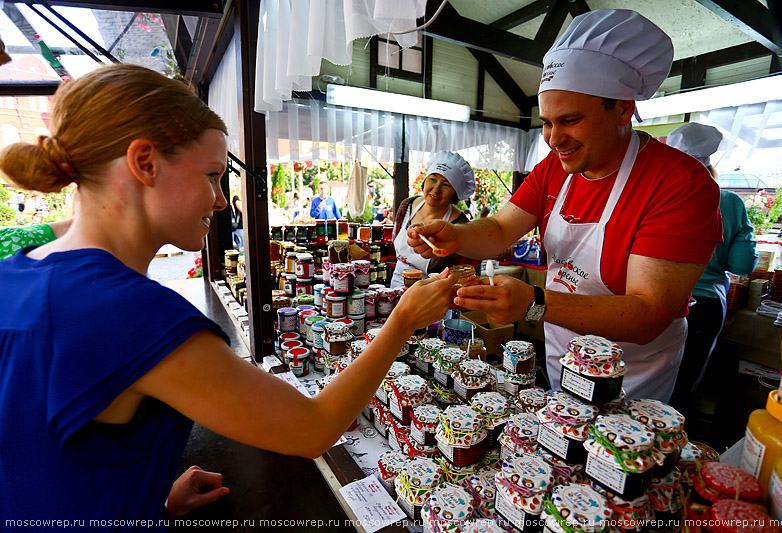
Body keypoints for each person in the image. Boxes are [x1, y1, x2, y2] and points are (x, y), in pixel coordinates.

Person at [0, 64, 457, 528]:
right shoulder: (132, 314)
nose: (221, 200)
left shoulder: (15, 273)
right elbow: (313, 429)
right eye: (212, 175)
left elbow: (41, 453)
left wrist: (141, 492)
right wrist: (401, 321)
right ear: (145, 163)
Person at [406, 9, 723, 401]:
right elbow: (501, 229)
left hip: (633, 374)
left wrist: (535, 303)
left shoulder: (680, 183)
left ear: (623, 107)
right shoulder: (555, 169)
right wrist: (455, 234)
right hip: (562, 356)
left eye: (570, 120)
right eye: (547, 122)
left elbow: (647, 314)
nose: (554, 139)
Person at [666, 123, 758, 407]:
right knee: (682, 385)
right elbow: (742, 264)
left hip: (655, 298)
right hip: (704, 305)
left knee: (642, 375)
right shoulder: (728, 202)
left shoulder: (657, 197)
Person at [390, 151, 478, 288]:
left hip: (431, 295)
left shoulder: (460, 225)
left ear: (454, 193)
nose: (436, 189)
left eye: (446, 185)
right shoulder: (407, 206)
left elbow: (465, 274)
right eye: (433, 179)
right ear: (425, 180)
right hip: (395, 288)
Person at [230, 184, 244, 250]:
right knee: (242, 245)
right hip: (240, 227)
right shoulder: (237, 199)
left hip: (241, 227)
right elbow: (244, 210)